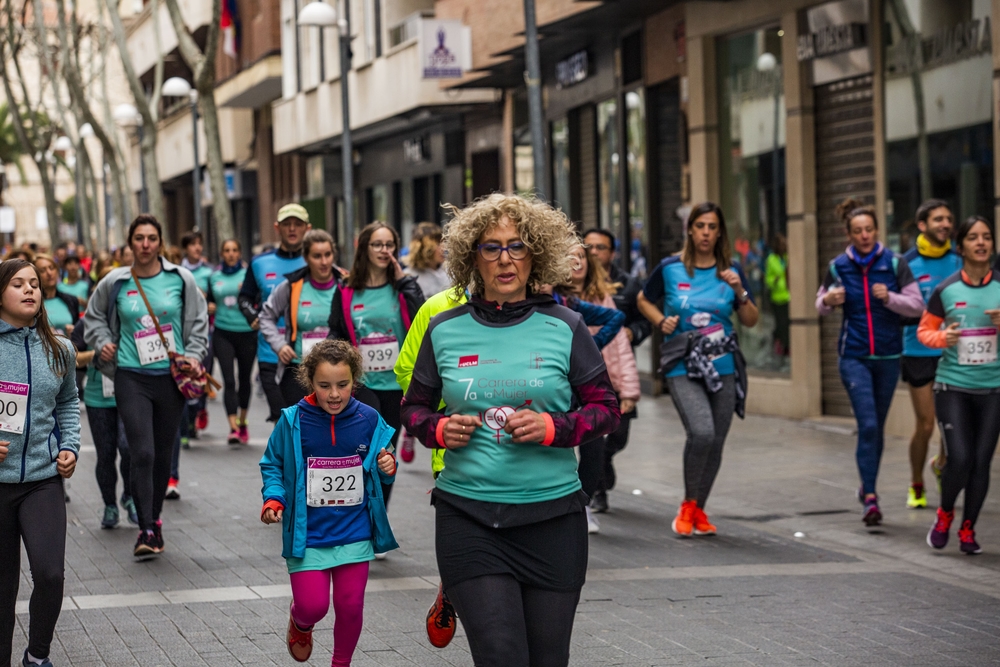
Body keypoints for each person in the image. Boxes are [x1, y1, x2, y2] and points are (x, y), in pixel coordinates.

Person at [400, 194, 621, 666]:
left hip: (553, 520)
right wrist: (439, 428)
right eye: (491, 247)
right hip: (469, 517)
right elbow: (414, 410)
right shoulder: (444, 329)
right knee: (501, 655)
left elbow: (606, 409)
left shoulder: (566, 326)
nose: (505, 258)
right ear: (471, 258)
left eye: (517, 246)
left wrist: (553, 426)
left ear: (534, 254)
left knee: (547, 659)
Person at [259, 339, 397, 665]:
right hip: (309, 534)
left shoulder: (369, 419)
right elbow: (273, 463)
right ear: (310, 382)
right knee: (313, 606)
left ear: (355, 381)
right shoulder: (293, 420)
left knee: (350, 607)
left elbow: (382, 471)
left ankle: (340, 663)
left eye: (342, 385)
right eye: (324, 386)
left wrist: (387, 466)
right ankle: (300, 623)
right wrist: (274, 498)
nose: (334, 394)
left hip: (355, 530)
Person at [84, 214, 210, 558]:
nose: (145, 245)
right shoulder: (115, 282)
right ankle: (146, 528)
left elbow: (199, 322)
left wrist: (195, 356)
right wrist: (103, 342)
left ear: (160, 243)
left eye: (151, 238)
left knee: (162, 454)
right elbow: (92, 318)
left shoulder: (180, 279)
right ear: (130, 243)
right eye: (138, 238)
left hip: (171, 378)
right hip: (130, 375)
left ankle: (154, 518)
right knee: (142, 451)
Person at [637, 202, 759, 537]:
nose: (706, 232)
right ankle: (688, 505)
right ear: (690, 229)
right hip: (683, 365)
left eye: (712, 227)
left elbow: (750, 319)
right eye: (700, 226)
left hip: (723, 366)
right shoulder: (671, 268)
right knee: (702, 432)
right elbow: (643, 299)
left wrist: (739, 290)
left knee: (717, 441)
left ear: (720, 232)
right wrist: (661, 321)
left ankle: (697, 508)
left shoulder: (730, 270)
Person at [815, 199, 925, 526]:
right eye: (857, 231)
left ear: (877, 231)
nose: (864, 235)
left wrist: (889, 298)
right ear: (847, 234)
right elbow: (819, 304)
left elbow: (917, 305)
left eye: (869, 229)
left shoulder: (893, 264)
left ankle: (867, 485)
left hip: (889, 357)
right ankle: (872, 499)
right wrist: (829, 300)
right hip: (854, 357)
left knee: (875, 428)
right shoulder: (838, 267)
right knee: (870, 425)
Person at [0, 259, 80, 667]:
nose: (30, 289)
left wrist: (70, 446)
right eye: (18, 284)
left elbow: (68, 403)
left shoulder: (59, 347)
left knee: (50, 575)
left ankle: (37, 655)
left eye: (34, 283)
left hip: (42, 480)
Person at [327, 222, 424, 506]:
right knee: (368, 446)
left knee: (386, 455)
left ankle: (377, 517)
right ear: (364, 248)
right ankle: (360, 513)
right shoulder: (346, 289)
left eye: (389, 244)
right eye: (377, 244)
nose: (384, 250)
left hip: (397, 384)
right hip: (362, 383)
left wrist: (406, 283)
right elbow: (335, 329)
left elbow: (425, 321)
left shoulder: (405, 287)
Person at [920, 216, 1000, 555]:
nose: (981, 243)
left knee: (982, 461)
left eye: (986, 237)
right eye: (973, 238)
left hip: (994, 388)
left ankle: (969, 527)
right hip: (953, 386)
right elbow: (924, 332)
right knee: (961, 456)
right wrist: (944, 337)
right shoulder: (946, 289)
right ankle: (945, 513)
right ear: (961, 245)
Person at [560, 243, 639, 532]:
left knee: (597, 447)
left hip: (592, 386)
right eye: (570, 257)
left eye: (581, 256)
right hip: (557, 389)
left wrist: (590, 347)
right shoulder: (553, 300)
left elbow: (619, 338)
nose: (576, 262)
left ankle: (582, 504)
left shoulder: (589, 301)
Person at [901, 200, 961, 508]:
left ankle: (940, 464)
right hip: (917, 350)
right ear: (922, 225)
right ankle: (916, 481)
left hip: (953, 349)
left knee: (952, 423)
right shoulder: (907, 262)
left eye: (949, 219)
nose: (945, 224)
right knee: (926, 424)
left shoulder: (958, 260)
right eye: (938, 219)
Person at [239, 204, 311, 422]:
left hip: (306, 355)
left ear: (307, 228)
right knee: (283, 420)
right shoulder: (260, 263)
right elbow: (245, 297)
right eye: (286, 224)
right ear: (276, 228)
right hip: (270, 353)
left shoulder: (316, 262)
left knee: (307, 420)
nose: (292, 229)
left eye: (297, 225)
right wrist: (252, 316)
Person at [260, 230, 344, 409]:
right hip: (299, 371)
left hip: (338, 372)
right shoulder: (292, 285)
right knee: (302, 430)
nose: (324, 262)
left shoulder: (346, 284)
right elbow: (266, 316)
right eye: (317, 256)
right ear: (306, 257)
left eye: (328, 255)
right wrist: (279, 345)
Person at [71, 317, 138, 529]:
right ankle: (110, 504)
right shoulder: (86, 324)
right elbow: (72, 357)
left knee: (128, 448)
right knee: (106, 454)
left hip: (130, 395)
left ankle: (129, 495)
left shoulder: (130, 318)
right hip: (97, 399)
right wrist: (95, 354)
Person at [208, 239, 256, 444]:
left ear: (239, 253)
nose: (230, 254)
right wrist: (209, 305)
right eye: (226, 250)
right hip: (223, 332)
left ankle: (243, 421)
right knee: (229, 380)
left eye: (234, 250)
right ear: (221, 253)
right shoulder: (214, 277)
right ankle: (233, 427)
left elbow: (257, 299)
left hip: (246, 332)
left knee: (244, 379)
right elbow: (210, 299)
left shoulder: (248, 275)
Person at [582, 228, 652, 346]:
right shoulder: (570, 283)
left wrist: (632, 332)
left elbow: (645, 321)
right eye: (588, 247)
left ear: (613, 253)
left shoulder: (629, 284)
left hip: (618, 355)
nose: (593, 252)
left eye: (600, 247)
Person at [180, 231, 214, 434]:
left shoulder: (210, 272)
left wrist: (211, 305)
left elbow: (216, 297)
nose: (198, 248)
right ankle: (187, 421)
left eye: (200, 244)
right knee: (185, 375)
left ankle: (199, 410)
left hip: (206, 331)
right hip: (183, 332)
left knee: (202, 374)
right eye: (193, 244)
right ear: (186, 248)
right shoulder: (178, 272)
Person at [33, 254, 79, 337]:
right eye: (43, 270)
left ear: (57, 271)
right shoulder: (32, 302)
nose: (49, 273)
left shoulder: (71, 300)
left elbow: (80, 334)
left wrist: (74, 332)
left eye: (51, 268)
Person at [404, 222, 449, 298]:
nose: (444, 248)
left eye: (444, 242)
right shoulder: (409, 276)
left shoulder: (451, 272)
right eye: (438, 244)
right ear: (424, 248)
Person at [765, 234, 790, 356]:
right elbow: (768, 278)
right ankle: (779, 342)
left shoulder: (787, 257)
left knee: (788, 323)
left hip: (788, 296)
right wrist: (774, 281)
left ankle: (786, 346)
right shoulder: (771, 259)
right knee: (781, 324)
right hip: (777, 296)